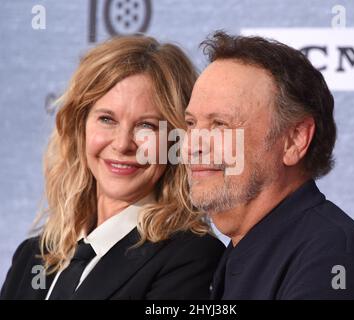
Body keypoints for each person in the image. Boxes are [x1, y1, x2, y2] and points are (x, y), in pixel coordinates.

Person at [0, 35, 224, 300]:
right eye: (107, 119)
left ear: (176, 140)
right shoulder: (32, 256)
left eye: (146, 126)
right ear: (78, 126)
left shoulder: (192, 257)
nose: (122, 144)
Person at [184, 31, 354, 299]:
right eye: (191, 124)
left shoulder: (333, 262)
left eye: (220, 124)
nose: (194, 145)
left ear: (294, 140)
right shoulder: (240, 253)